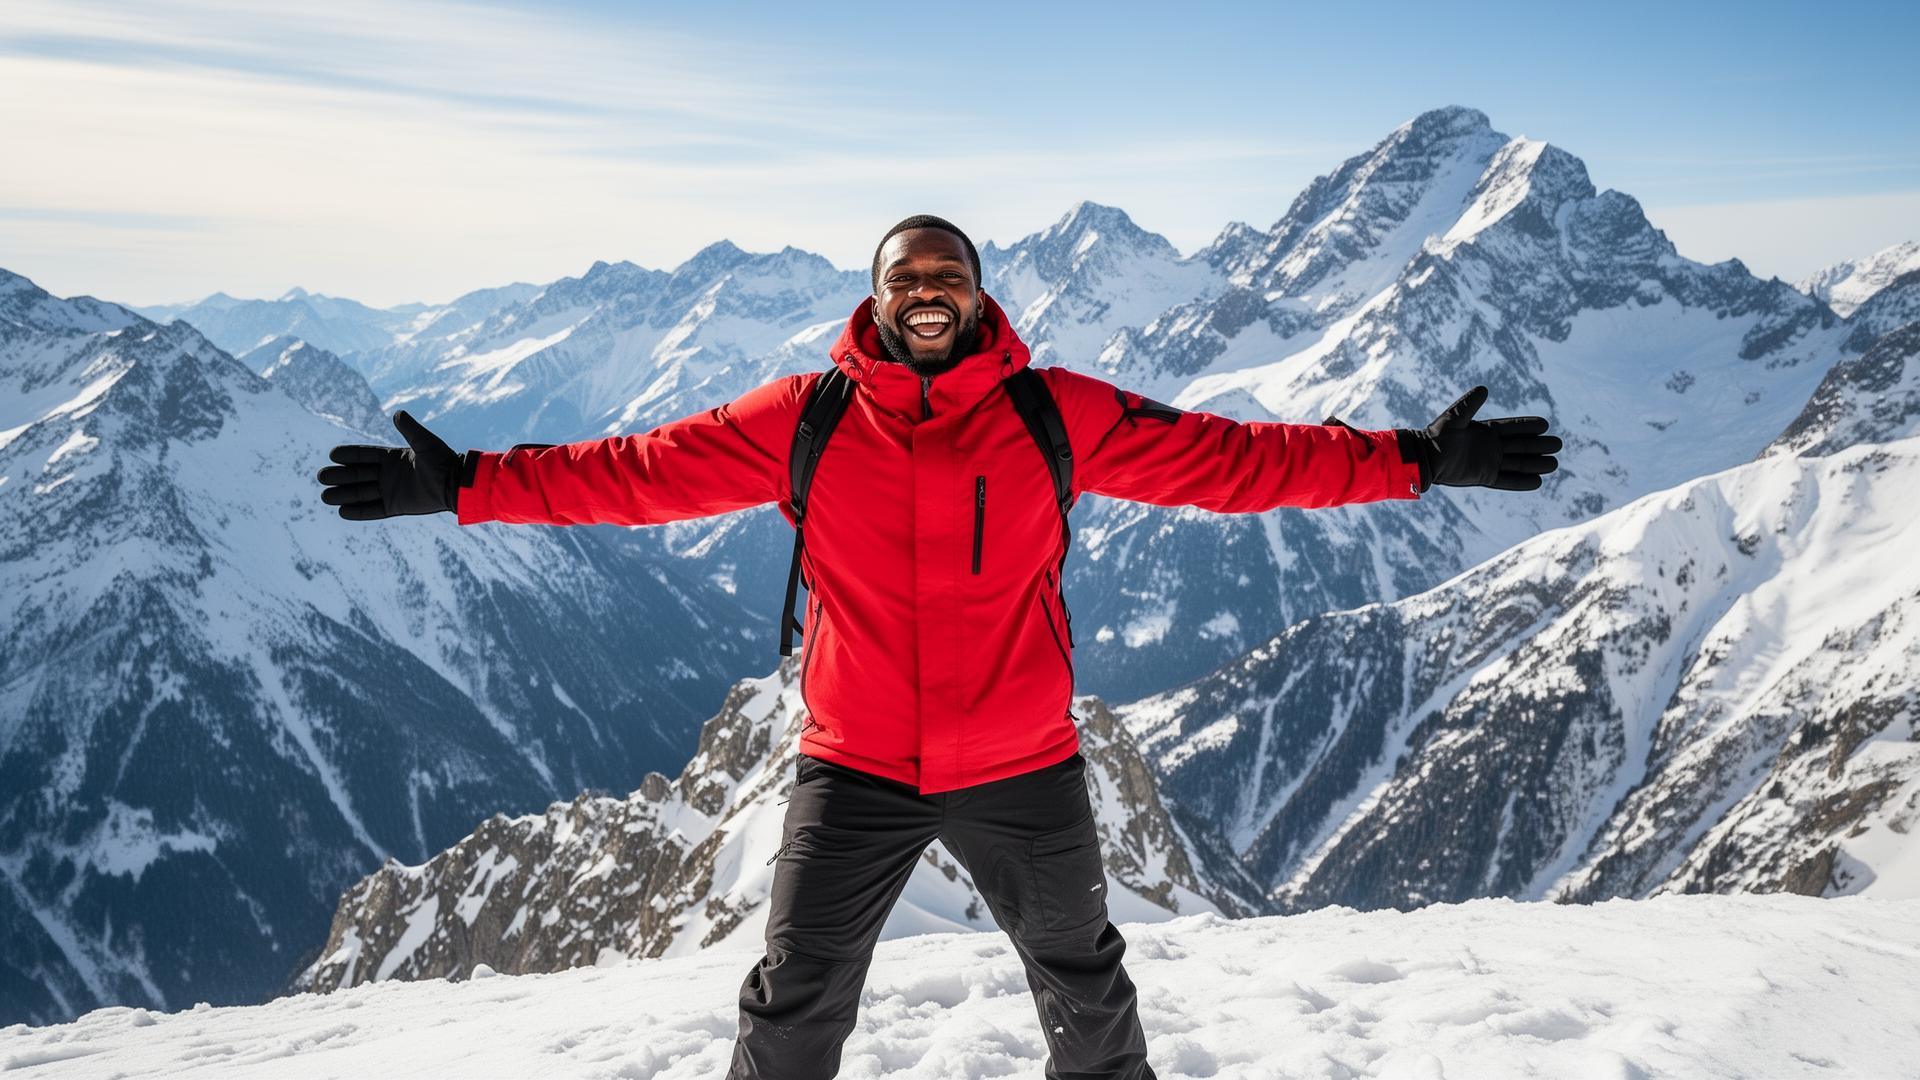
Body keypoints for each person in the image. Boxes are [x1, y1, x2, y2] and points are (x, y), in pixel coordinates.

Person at [318, 215, 1560, 1079]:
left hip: (1020, 762)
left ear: (977, 296)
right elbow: (639, 474)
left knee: (1084, 984)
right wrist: (471, 484)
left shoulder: (1052, 410)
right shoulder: (804, 418)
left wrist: (1415, 460)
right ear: (876, 295)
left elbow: (1235, 463)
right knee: (795, 995)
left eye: (947, 276)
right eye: (906, 276)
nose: (927, 292)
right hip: (852, 764)